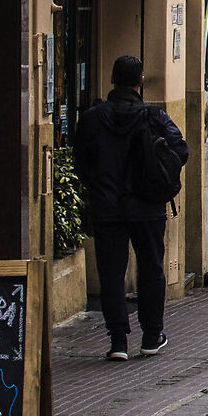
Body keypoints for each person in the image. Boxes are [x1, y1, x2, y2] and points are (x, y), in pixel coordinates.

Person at [73, 54, 188, 360]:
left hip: (107, 207)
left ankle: (118, 341)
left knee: (111, 273)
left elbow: (80, 161)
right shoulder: (154, 116)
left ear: (113, 79)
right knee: (151, 269)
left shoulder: (92, 118)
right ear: (140, 81)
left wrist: (98, 187)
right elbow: (181, 150)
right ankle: (151, 335)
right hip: (147, 205)